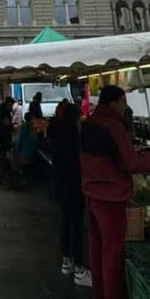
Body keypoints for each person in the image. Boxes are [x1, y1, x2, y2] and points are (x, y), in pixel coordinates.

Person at [81, 85, 150, 299]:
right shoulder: (113, 126)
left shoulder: (89, 123)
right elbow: (130, 163)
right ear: (117, 101)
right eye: (123, 102)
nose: (125, 107)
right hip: (111, 199)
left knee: (97, 255)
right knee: (112, 259)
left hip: (92, 195)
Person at [50, 104, 91, 287]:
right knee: (77, 225)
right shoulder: (75, 136)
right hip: (74, 185)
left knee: (66, 222)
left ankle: (67, 260)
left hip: (61, 184)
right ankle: (80, 267)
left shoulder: (56, 132)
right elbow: (79, 161)